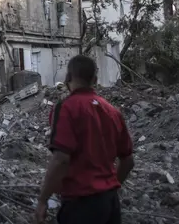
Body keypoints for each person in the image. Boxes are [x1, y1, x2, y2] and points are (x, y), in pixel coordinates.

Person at [34, 55, 135, 224]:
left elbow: (61, 160)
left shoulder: (66, 108)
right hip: (110, 204)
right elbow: (128, 161)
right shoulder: (113, 111)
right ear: (95, 80)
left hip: (81, 205)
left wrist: (43, 200)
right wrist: (109, 186)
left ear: (68, 78)